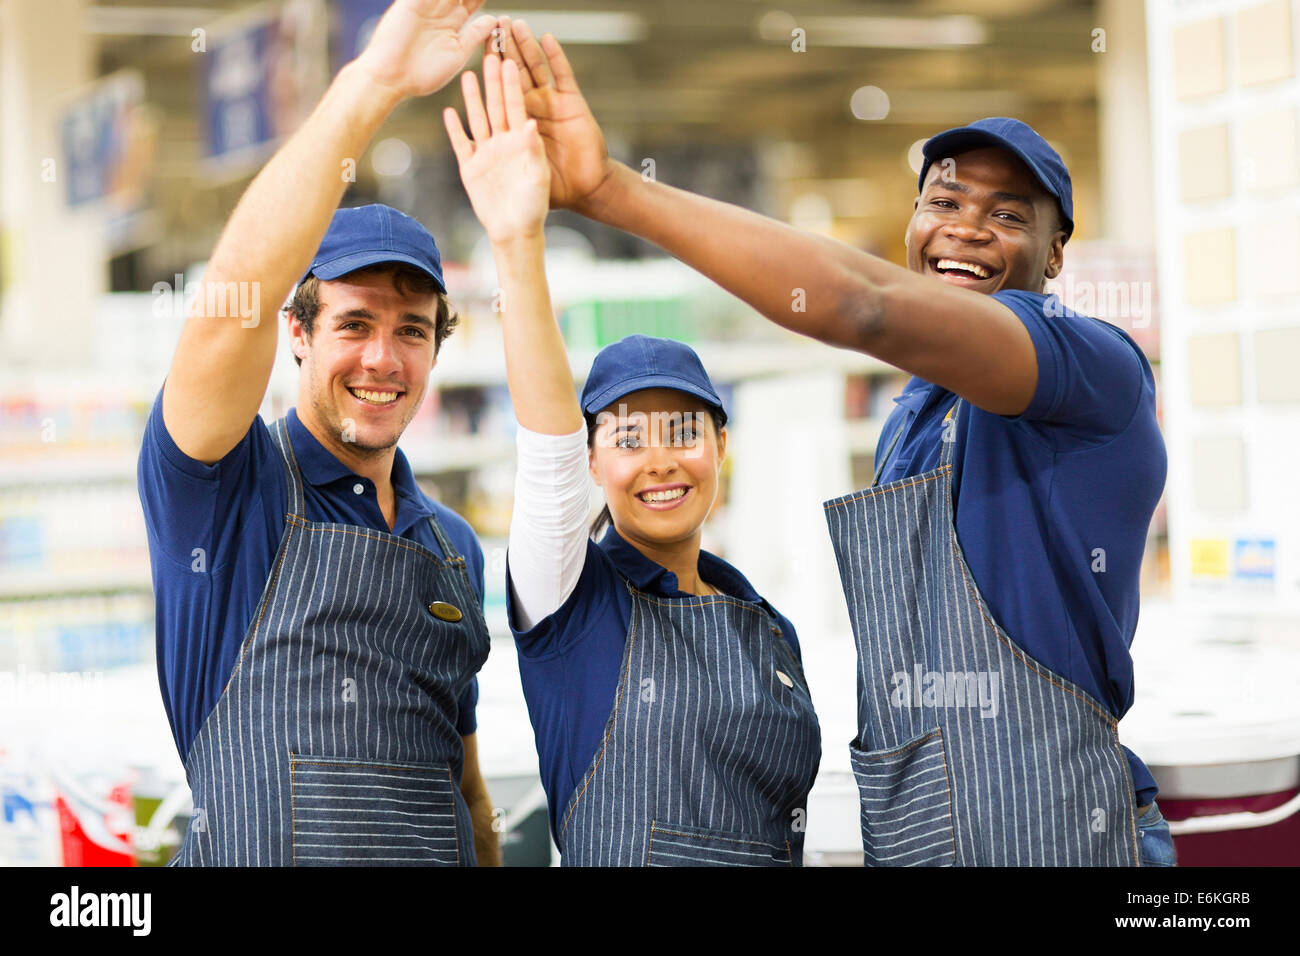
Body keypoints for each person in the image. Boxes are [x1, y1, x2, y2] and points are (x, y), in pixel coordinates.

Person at [492, 17, 1173, 867]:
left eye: (1008, 214)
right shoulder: (911, 420)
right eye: (945, 201)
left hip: (1056, 827)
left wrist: (608, 193)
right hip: (922, 840)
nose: (965, 228)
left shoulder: (1089, 368)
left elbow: (863, 306)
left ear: (1056, 252)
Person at [137, 0, 501, 866]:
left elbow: (467, 787)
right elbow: (233, 301)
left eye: (412, 329)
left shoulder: (451, 546)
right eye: (353, 323)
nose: (383, 357)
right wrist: (370, 85)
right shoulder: (227, 489)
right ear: (296, 333)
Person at [442, 54, 821, 866]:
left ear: (722, 445)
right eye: (626, 436)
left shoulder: (765, 626)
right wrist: (518, 238)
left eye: (684, 430)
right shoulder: (573, 599)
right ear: (591, 462)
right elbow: (545, 449)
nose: (660, 461)